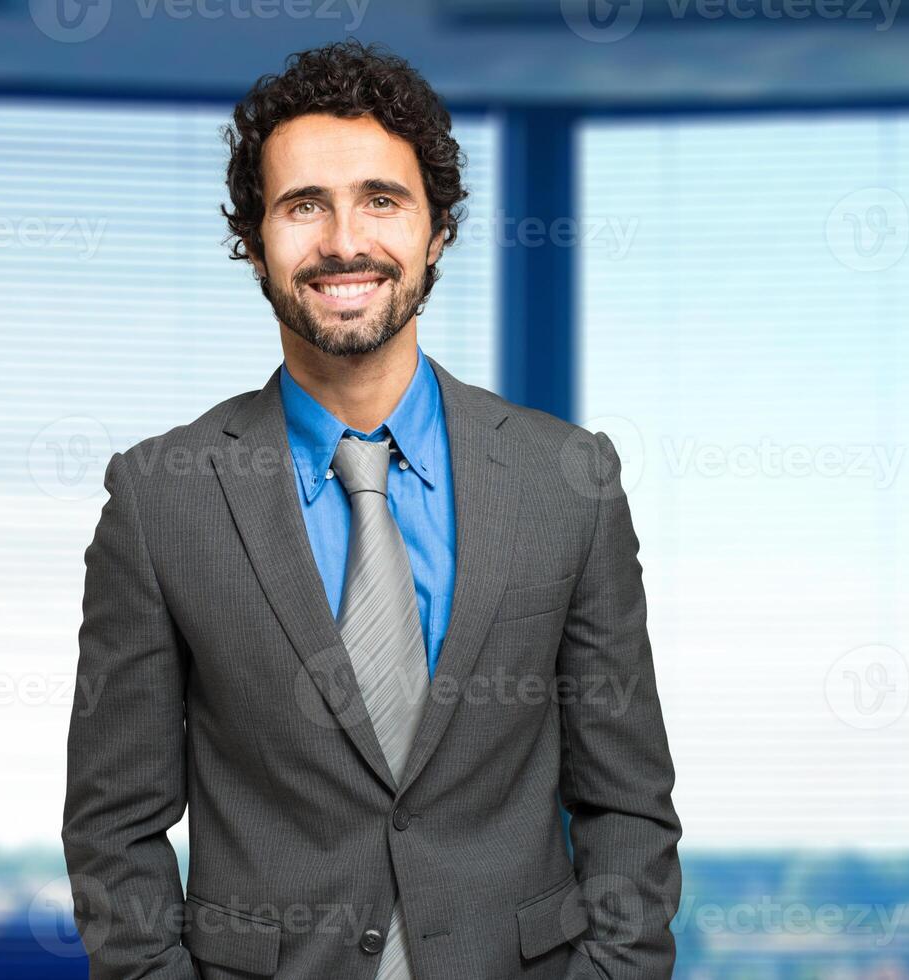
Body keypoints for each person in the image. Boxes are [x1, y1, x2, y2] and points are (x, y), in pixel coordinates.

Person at [62, 38, 682, 980]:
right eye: (302, 204)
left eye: (380, 200)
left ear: (436, 234)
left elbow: (627, 802)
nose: (344, 241)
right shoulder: (160, 497)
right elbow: (114, 825)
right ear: (254, 240)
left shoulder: (569, 479)